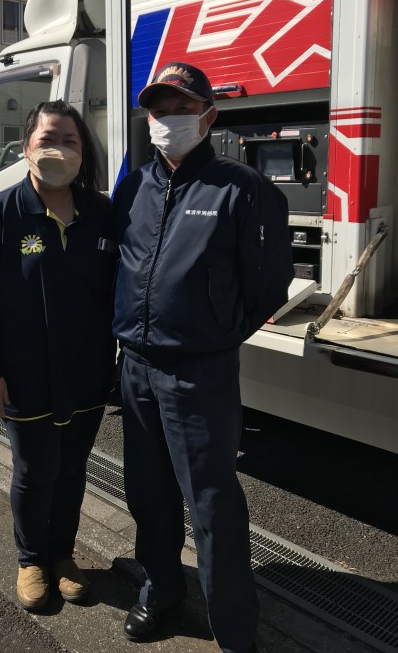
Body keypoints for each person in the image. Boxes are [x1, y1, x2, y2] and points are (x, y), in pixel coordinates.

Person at [112, 62, 294, 653]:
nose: (169, 120)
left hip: (199, 373)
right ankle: (161, 589)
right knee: (147, 491)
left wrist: (217, 333)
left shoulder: (243, 189)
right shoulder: (132, 187)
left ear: (209, 117)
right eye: (159, 110)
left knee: (212, 503)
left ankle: (235, 630)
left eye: (183, 109)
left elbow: (269, 282)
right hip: (136, 366)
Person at [0, 100, 117, 612]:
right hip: (23, 376)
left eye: (70, 141)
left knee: (72, 468)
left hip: (87, 373)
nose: (59, 149)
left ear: (84, 153)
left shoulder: (102, 214)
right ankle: (30, 560)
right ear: (26, 148)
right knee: (35, 470)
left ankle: (62, 555)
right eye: (48, 139)